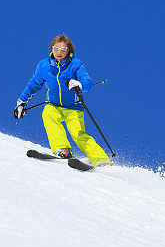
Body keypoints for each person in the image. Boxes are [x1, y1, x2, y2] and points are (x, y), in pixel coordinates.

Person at [14, 34, 111, 166]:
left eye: (63, 49)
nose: (59, 52)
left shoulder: (76, 64)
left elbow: (87, 82)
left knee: (78, 134)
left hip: (73, 107)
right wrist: (22, 101)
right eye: (56, 48)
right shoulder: (44, 66)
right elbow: (33, 85)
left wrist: (79, 85)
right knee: (48, 114)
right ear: (51, 49)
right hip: (53, 105)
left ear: (69, 51)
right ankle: (63, 150)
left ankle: (102, 160)